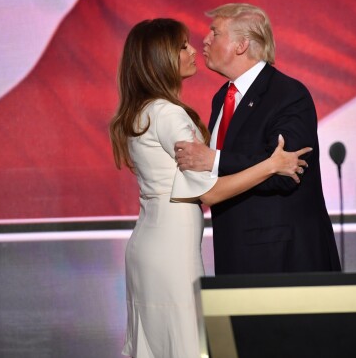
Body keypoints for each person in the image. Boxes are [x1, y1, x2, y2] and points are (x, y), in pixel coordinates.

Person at [109, 18, 310, 358]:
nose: (193, 51)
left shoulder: (139, 112)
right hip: (172, 252)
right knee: (188, 346)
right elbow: (211, 192)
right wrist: (272, 164)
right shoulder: (170, 115)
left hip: (146, 246)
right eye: (182, 47)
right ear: (162, 59)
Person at [174, 3, 342, 275]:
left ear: (241, 45)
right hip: (236, 253)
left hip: (281, 260)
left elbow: (287, 171)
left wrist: (214, 160)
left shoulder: (288, 95)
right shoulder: (223, 97)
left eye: (214, 33)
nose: (204, 40)